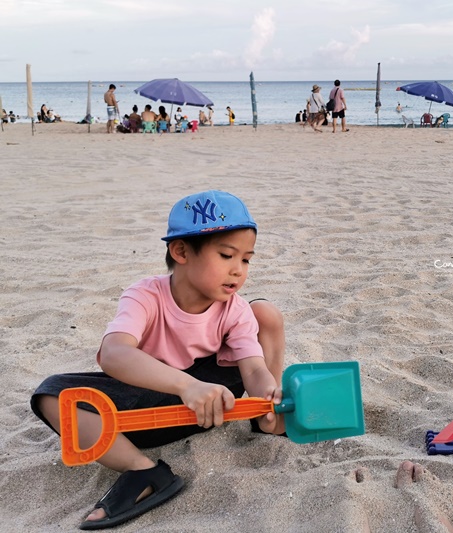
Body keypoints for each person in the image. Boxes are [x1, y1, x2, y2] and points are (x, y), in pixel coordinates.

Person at [30, 190, 287, 529]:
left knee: (264, 312)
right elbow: (114, 353)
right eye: (227, 255)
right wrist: (186, 385)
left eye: (246, 259)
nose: (238, 271)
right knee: (52, 395)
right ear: (180, 251)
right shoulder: (146, 295)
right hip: (154, 401)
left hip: (213, 400)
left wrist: (267, 392)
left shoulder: (234, 308)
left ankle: (269, 417)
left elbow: (252, 366)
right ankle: (143, 471)